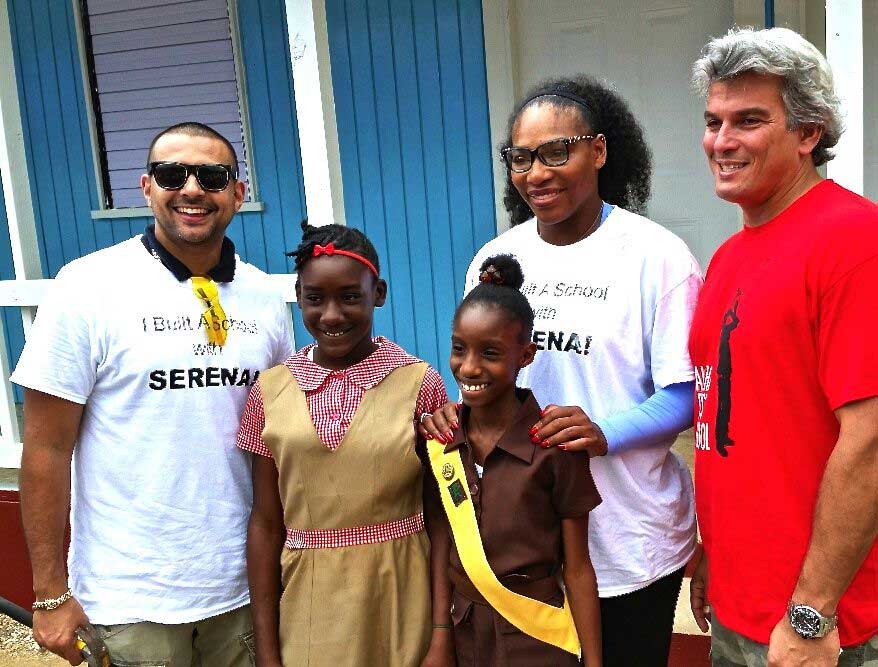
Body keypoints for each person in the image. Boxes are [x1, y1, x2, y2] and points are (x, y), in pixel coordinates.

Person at [422, 75, 702, 666]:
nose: (537, 173)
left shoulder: (657, 257)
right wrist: (460, 410)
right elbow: (485, 372)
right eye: (522, 158)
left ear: (598, 151)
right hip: (521, 544)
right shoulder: (497, 259)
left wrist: (605, 432)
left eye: (557, 152)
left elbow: (683, 396)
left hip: (629, 538)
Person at [11, 122, 293, 665]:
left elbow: (280, 438)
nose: (191, 189)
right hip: (130, 599)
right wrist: (49, 594)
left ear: (237, 194)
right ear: (147, 188)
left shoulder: (263, 300)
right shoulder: (86, 288)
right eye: (172, 174)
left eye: (212, 176)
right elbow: (45, 449)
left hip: (240, 590)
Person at [688, 27, 878, 667]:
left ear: (808, 133)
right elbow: (726, 420)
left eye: (749, 120)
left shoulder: (854, 243)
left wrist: (811, 611)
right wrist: (711, 556)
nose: (722, 141)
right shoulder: (727, 258)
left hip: (824, 629)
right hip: (741, 609)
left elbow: (871, 440)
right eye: (713, 120)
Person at [238, 221, 451, 666]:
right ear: (298, 298)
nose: (331, 315)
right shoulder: (270, 391)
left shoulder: (419, 383)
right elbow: (265, 523)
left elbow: (440, 515)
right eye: (315, 299)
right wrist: (267, 649)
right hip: (309, 605)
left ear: (379, 293)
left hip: (400, 593)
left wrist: (440, 631)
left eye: (350, 297)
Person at [424, 253, 603, 666]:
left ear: (526, 355)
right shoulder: (439, 443)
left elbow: (577, 569)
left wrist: (593, 662)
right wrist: (439, 637)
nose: (468, 367)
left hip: (537, 640)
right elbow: (440, 543)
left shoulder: (555, 448)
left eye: (490, 352)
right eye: (458, 349)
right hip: (465, 638)